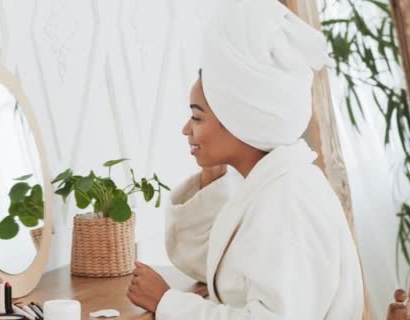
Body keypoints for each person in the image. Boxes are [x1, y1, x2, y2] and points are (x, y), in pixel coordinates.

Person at [126, 0, 364, 319]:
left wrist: (168, 302)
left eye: (197, 118)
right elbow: (207, 262)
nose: (185, 129)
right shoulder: (270, 186)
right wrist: (212, 175)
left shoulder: (289, 201)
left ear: (236, 119)